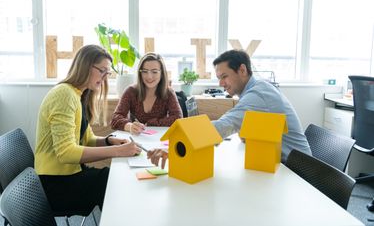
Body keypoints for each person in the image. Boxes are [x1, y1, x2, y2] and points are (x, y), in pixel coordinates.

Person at [148, 49, 311, 166]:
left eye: (224, 76)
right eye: (219, 78)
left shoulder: (258, 94)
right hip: (282, 164)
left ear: (242, 70)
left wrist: (179, 147)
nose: (221, 84)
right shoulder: (257, 90)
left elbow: (224, 125)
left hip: (297, 171)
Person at [35, 45, 142, 216]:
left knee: (115, 181)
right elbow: (66, 152)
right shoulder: (64, 95)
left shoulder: (78, 94)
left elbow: (87, 139)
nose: (105, 78)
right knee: (116, 184)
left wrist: (108, 141)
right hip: (54, 184)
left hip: (70, 175)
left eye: (107, 73)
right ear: (85, 66)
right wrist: (117, 151)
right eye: (102, 71)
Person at [111, 52, 182, 135]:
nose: (149, 76)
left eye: (154, 72)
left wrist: (152, 123)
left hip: (159, 138)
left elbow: (178, 118)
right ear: (140, 73)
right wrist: (130, 126)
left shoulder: (168, 93)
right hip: (136, 138)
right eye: (145, 71)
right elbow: (115, 119)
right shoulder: (130, 91)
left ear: (162, 73)